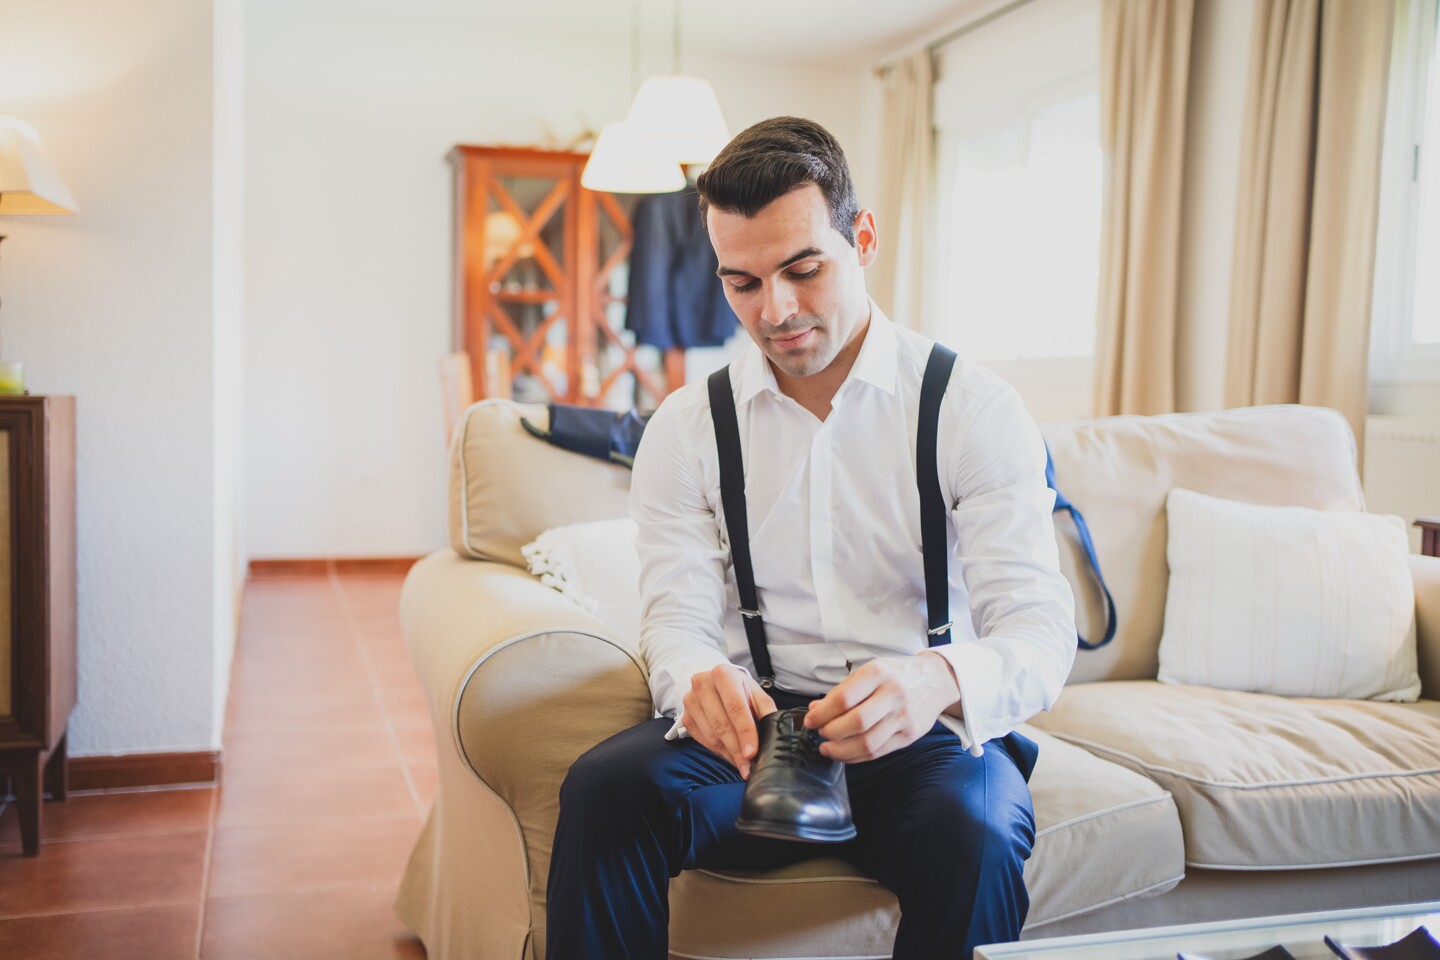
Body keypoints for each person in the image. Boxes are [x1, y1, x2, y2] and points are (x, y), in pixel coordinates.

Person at [546, 116, 1077, 960]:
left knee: (973, 838)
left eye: (803, 270)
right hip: (758, 731)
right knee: (605, 790)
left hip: (927, 731)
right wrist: (696, 676)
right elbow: (676, 622)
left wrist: (934, 678)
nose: (776, 311)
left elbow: (1042, 634)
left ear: (861, 238)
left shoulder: (974, 411)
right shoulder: (687, 429)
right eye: (743, 284)